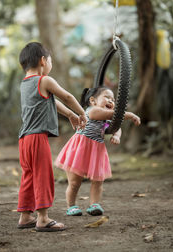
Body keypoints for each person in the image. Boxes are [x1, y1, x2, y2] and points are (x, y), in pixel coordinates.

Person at [17, 42, 87, 232]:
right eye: (50, 60)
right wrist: (82, 114)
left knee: (29, 176)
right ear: (42, 61)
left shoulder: (25, 84)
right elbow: (67, 97)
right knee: (43, 176)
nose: (50, 64)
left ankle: (25, 216)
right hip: (37, 139)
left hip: (24, 140)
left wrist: (71, 115)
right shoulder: (45, 80)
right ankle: (43, 219)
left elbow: (52, 103)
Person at [55, 86, 141, 216]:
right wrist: (128, 114)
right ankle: (71, 206)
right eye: (107, 97)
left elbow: (116, 126)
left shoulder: (107, 118)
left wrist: (116, 135)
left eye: (113, 100)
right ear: (93, 101)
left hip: (96, 150)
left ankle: (94, 204)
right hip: (80, 148)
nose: (111, 101)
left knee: (98, 181)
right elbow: (113, 115)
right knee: (74, 182)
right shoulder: (92, 111)